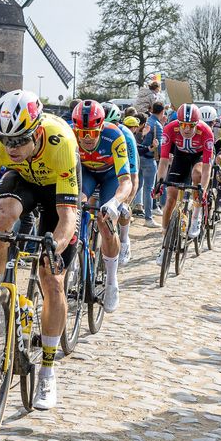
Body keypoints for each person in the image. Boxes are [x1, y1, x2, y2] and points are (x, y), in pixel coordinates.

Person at [0, 91, 79, 411]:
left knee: (52, 280)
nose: (11, 148)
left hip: (57, 189)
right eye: (6, 140)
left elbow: (67, 218)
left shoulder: (60, 142)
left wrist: (54, 248)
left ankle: (47, 370)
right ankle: (5, 293)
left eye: (19, 140)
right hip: (22, 180)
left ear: (37, 132)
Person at [72, 101, 133, 312]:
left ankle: (111, 282)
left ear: (100, 127)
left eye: (92, 132)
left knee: (105, 221)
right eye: (82, 133)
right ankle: (76, 256)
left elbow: (126, 181)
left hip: (110, 176)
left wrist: (115, 203)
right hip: (86, 174)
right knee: (76, 204)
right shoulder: (69, 134)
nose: (87, 138)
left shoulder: (114, 135)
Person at [154, 104, 214, 251]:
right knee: (171, 197)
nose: (186, 129)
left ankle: (196, 217)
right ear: (178, 122)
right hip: (180, 156)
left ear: (197, 123)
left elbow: (207, 167)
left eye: (191, 125)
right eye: (183, 125)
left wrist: (203, 189)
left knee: (197, 174)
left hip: (199, 156)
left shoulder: (206, 131)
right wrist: (159, 183)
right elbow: (163, 160)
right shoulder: (169, 128)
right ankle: (165, 241)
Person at [103, 102, 139, 265]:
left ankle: (124, 239)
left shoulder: (126, 135)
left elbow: (133, 175)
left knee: (123, 210)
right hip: (100, 169)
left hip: (119, 172)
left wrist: (126, 200)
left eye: (112, 125)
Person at [138, 102, 166, 228]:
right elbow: (159, 147)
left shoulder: (147, 121)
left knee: (137, 187)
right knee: (149, 189)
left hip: (139, 157)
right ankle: (148, 219)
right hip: (149, 159)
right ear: (162, 112)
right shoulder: (157, 125)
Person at [202, 106, 221, 211]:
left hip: (218, 145)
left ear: (214, 121)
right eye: (204, 123)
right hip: (204, 144)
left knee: (220, 159)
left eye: (210, 123)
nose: (207, 126)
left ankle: (220, 196)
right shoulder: (196, 125)